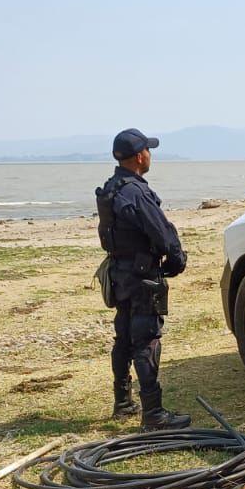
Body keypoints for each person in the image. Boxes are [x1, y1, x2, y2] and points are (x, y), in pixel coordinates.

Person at [96, 128, 190, 429]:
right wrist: (177, 260)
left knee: (124, 335)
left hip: (120, 273)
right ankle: (154, 414)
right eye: (148, 150)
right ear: (140, 156)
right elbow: (163, 233)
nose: (150, 154)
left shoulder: (111, 188)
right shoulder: (135, 192)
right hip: (141, 276)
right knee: (146, 338)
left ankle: (123, 402)